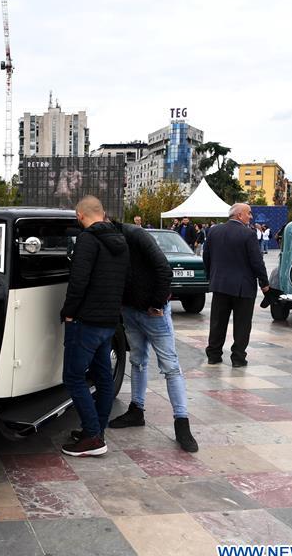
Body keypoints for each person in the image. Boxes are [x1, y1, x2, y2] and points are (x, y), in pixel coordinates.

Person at [105, 219, 198, 452]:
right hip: (130, 310)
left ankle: (182, 422)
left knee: (170, 366)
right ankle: (137, 410)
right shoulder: (109, 240)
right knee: (137, 361)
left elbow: (163, 268)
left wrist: (157, 303)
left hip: (152, 312)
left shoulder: (136, 235)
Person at [59, 196, 129, 457]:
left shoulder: (88, 240)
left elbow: (78, 282)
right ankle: (98, 431)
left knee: (74, 377)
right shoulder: (120, 240)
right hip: (109, 321)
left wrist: (68, 313)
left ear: (80, 215)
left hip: (86, 321)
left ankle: (92, 437)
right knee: (102, 377)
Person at [203, 203, 270, 367]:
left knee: (217, 322)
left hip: (220, 285)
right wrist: (264, 283)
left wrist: (211, 277)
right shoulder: (248, 234)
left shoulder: (214, 231)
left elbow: (206, 257)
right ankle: (238, 358)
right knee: (242, 324)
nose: (251, 217)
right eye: (249, 213)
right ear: (239, 215)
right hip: (243, 287)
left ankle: (214, 355)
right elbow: (256, 261)